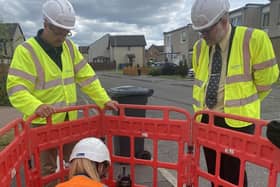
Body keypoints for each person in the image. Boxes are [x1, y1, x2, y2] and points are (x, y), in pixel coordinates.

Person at [6, 0, 118, 185]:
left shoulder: (69, 47)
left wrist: (103, 100)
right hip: (41, 123)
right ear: (45, 24)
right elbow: (16, 88)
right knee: (46, 171)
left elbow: (86, 77)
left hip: (68, 120)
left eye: (66, 32)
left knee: (78, 163)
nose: (62, 37)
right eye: (58, 32)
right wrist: (37, 106)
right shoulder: (26, 51)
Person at [191, 0, 279, 186]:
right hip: (206, 119)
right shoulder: (200, 47)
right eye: (200, 31)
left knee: (234, 176)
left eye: (207, 30)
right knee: (214, 173)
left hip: (237, 121)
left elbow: (267, 81)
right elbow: (201, 81)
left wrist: (242, 104)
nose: (203, 35)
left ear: (224, 21)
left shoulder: (254, 39)